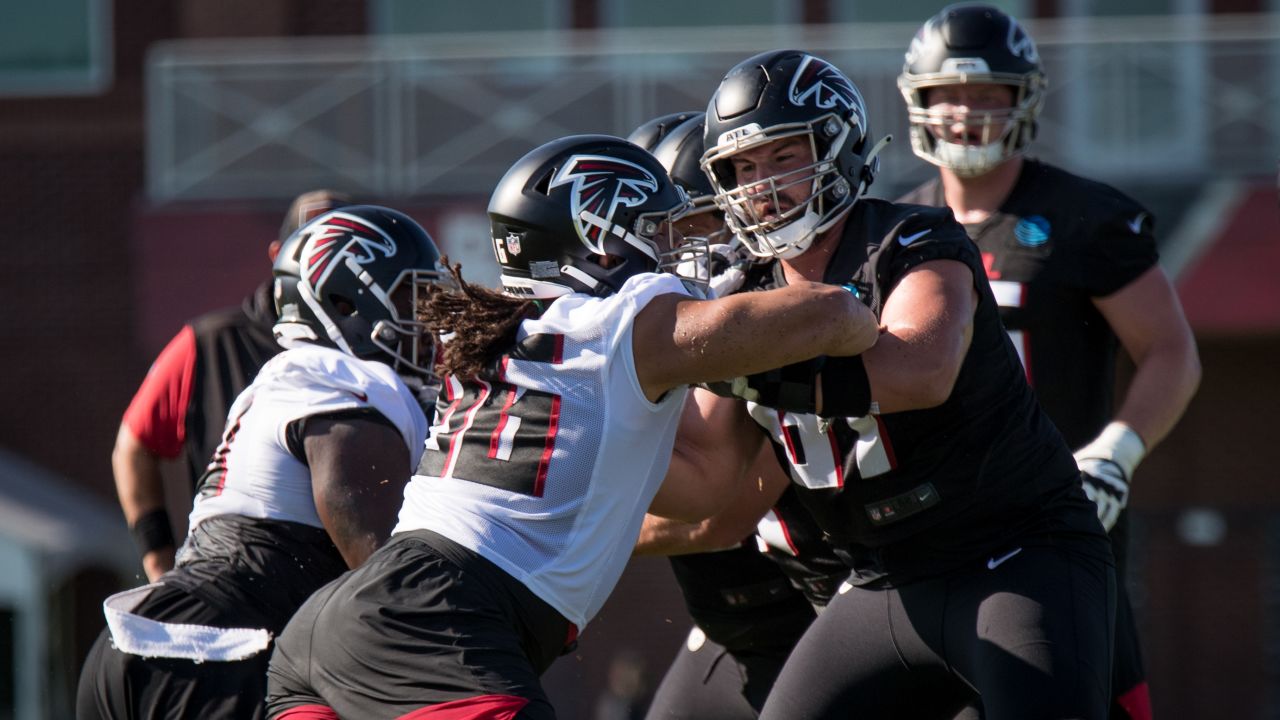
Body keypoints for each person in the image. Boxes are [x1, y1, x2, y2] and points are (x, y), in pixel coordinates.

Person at [264, 133, 881, 720]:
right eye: (660, 234)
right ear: (599, 241)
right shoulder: (618, 324)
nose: (681, 251)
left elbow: (703, 493)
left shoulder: (520, 338)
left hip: (335, 628)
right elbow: (831, 316)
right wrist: (827, 288)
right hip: (440, 619)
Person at [661, 48, 1119, 719]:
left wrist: (742, 368)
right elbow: (703, 475)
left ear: (838, 148)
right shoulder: (749, 291)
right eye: (744, 168)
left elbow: (919, 371)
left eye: (782, 156)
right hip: (882, 580)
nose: (760, 185)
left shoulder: (912, 240)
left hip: (1017, 555)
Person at [896, 6, 1201, 718]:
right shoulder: (897, 226)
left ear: (1022, 98)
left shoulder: (1083, 216)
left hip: (1056, 520)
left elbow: (1171, 351)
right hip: (937, 533)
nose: (967, 110)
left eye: (987, 91)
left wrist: (1114, 454)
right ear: (918, 101)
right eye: (948, 92)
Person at [77, 205, 445, 719]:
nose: (426, 321)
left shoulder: (278, 382)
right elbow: (382, 576)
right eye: (412, 297)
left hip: (149, 646)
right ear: (344, 301)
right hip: (214, 656)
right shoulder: (341, 378)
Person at [629, 113, 825, 720]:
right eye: (654, 231)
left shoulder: (772, 314)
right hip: (729, 627)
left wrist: (569, 530)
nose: (670, 251)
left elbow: (715, 517)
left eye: (692, 224)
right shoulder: (650, 323)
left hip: (811, 614)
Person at [112, 189, 350, 581]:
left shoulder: (383, 346)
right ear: (279, 256)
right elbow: (133, 445)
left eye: (338, 259)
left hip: (341, 583)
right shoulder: (210, 343)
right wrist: (157, 557)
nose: (322, 273)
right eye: (310, 255)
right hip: (238, 581)